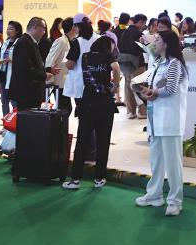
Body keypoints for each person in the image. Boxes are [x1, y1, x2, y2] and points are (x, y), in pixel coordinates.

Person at [135, 30, 188, 216]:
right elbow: (155, 86)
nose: (154, 43)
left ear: (166, 43)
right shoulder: (158, 63)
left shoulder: (175, 64)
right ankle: (154, 195)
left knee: (173, 163)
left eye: (157, 40)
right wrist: (145, 91)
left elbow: (170, 89)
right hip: (155, 119)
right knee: (156, 160)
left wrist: (153, 92)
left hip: (169, 120)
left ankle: (175, 201)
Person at [62, 36, 121, 190]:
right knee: (103, 141)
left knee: (82, 141)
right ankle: (99, 178)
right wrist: (115, 86)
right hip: (105, 103)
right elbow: (116, 68)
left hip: (87, 102)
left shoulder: (85, 56)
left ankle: (75, 179)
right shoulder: (108, 56)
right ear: (107, 46)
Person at [9, 17, 49, 111]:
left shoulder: (30, 42)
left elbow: (34, 64)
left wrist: (47, 71)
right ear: (35, 27)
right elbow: (25, 68)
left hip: (30, 91)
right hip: (26, 92)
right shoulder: (24, 42)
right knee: (27, 118)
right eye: (43, 28)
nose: (44, 32)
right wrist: (43, 75)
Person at [118, 14, 148, 119]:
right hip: (137, 64)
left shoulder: (125, 32)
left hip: (124, 63)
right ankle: (142, 112)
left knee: (128, 87)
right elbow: (143, 48)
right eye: (144, 23)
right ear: (140, 22)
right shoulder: (139, 34)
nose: (144, 25)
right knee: (139, 86)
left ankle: (131, 112)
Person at [46, 17, 74, 115]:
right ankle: (60, 125)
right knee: (64, 109)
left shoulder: (68, 41)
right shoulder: (61, 41)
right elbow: (50, 59)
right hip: (58, 82)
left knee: (66, 109)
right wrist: (49, 77)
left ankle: (61, 125)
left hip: (65, 81)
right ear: (73, 28)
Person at [0, 21, 22, 116]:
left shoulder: (19, 43)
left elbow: (22, 59)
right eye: (7, 29)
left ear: (17, 31)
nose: (8, 31)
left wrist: (11, 60)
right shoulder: (5, 43)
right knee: (4, 101)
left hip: (13, 76)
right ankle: (6, 122)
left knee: (14, 102)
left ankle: (16, 121)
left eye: (11, 29)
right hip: (3, 74)